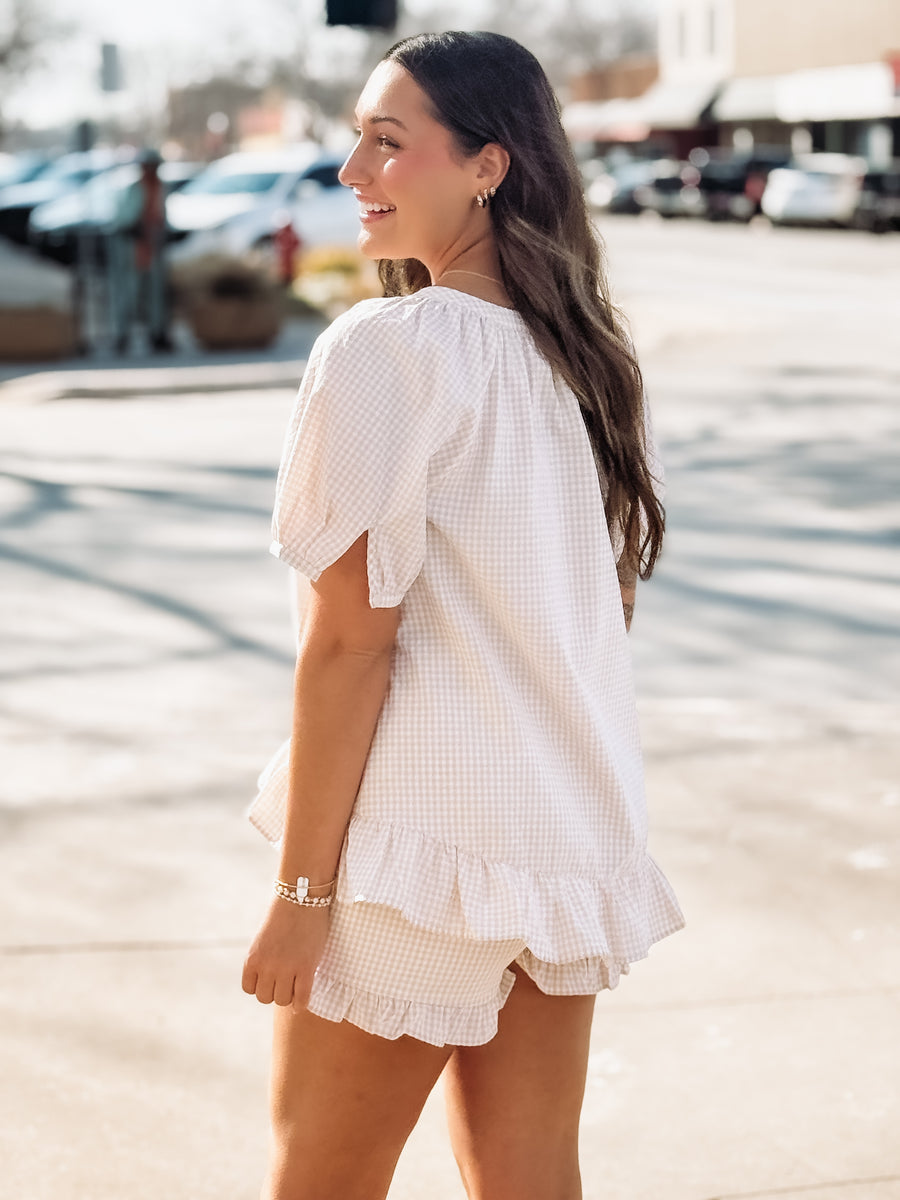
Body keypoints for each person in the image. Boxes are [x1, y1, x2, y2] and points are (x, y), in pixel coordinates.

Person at [242, 30, 684, 1200]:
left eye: (388, 144)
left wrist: (300, 900)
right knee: (528, 1179)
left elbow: (351, 646)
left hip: (419, 853)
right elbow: (600, 623)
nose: (354, 174)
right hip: (563, 836)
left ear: (488, 164)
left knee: (319, 1181)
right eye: (355, 142)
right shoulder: (586, 361)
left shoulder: (389, 350)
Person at [107, 148, 173, 354]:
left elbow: (162, 218)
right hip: (132, 247)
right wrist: (138, 230)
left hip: (152, 246)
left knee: (156, 293)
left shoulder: (160, 188)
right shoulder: (134, 190)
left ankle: (157, 333)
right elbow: (124, 220)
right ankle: (121, 335)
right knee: (127, 292)